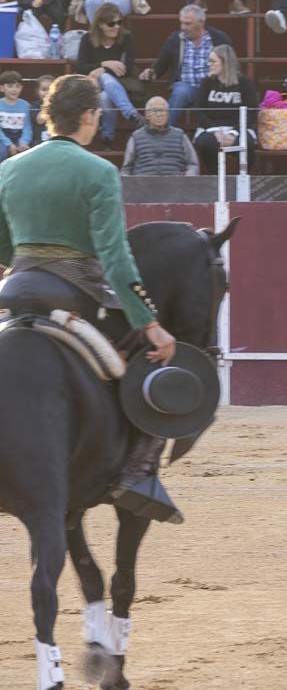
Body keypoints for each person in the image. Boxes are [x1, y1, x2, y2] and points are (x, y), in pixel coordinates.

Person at [0, 74, 181, 523]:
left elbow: (1, 245)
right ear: (88, 115)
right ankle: (137, 472)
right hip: (74, 294)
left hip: (13, 290)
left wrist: (22, 260)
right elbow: (117, 261)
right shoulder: (99, 171)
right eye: (98, 113)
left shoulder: (9, 168)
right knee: (141, 367)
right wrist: (151, 324)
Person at [139, 5, 233, 127]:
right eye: (182, 23)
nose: (183, 27)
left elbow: (231, 66)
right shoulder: (175, 39)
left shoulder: (219, 38)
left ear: (201, 22)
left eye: (188, 24)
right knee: (181, 91)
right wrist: (151, 72)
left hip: (213, 86)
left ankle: (216, 134)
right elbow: (160, 66)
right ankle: (164, 131)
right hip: (187, 87)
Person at [74, 3, 143, 150]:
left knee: (105, 96)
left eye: (119, 22)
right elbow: (80, 68)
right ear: (100, 24)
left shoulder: (126, 38)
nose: (116, 27)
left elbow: (128, 68)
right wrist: (105, 64)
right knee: (104, 80)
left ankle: (107, 137)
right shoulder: (88, 39)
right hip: (93, 85)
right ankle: (131, 115)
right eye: (111, 24)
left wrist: (103, 70)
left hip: (122, 84)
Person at [192, 44, 258, 174]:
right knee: (206, 144)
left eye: (213, 61)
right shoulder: (207, 82)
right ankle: (215, 178)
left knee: (247, 144)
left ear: (225, 62)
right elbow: (199, 111)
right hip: (211, 128)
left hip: (239, 128)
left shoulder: (244, 82)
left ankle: (243, 178)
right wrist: (215, 131)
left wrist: (234, 133)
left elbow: (251, 113)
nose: (209, 64)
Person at [122, 96, 201, 176]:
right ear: (147, 115)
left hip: (175, 185)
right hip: (143, 185)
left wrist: (188, 178)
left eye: (162, 110)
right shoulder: (136, 137)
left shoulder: (180, 135)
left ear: (168, 114)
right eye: (155, 111)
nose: (159, 114)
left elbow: (192, 164)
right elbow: (126, 169)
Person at [0, 72, 34, 161]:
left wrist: (24, 142)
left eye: (17, 86)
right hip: (2, 138)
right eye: (10, 86)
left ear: (21, 88)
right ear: (2, 88)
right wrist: (9, 144)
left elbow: (27, 127)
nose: (14, 90)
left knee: (27, 154)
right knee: (1, 152)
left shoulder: (25, 105)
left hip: (19, 137)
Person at [29, 75, 55, 145]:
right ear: (37, 91)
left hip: (54, 139)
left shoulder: (59, 105)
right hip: (38, 140)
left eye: (50, 90)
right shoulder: (34, 105)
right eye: (44, 90)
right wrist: (47, 104)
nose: (47, 92)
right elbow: (40, 121)